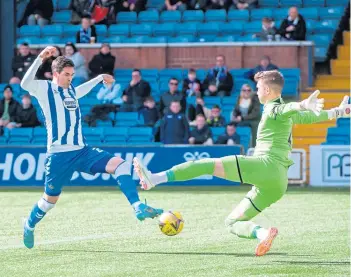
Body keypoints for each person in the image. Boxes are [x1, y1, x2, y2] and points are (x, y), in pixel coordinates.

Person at [133, 70, 351, 257]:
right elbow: (311, 117)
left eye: (258, 87)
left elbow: (284, 110)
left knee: (205, 164)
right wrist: (339, 111)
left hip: (264, 166)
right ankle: (263, 234)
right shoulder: (286, 114)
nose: (256, 91)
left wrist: (302, 104)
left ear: (267, 90)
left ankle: (155, 179)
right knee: (232, 223)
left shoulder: (274, 109)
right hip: (278, 182)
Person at [20, 46, 163, 249]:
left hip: (82, 150)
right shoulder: (44, 89)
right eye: (66, 75)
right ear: (55, 74)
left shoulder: (70, 90)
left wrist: (98, 79)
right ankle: (29, 224)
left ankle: (138, 206)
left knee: (121, 165)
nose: (70, 78)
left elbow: (79, 91)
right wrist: (40, 57)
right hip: (59, 156)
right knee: (49, 201)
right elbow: (25, 83)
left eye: (72, 74)